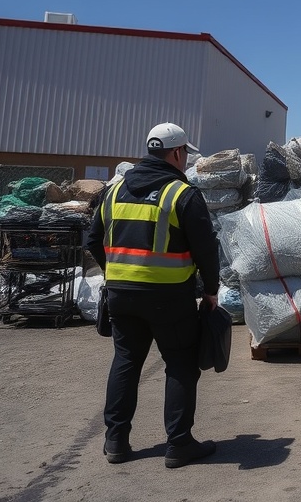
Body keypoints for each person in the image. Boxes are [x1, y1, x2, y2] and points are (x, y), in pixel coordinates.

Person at [87, 122, 221, 468]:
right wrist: (210, 290)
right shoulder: (181, 194)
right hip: (169, 297)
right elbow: (206, 248)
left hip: (120, 294)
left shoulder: (114, 191)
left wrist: (115, 271)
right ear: (177, 153)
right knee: (179, 363)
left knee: (126, 361)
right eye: (185, 154)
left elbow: (92, 240)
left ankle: (115, 441)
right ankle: (178, 444)